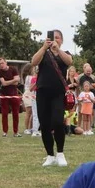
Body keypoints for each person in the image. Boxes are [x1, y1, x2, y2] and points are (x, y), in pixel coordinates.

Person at [29, 30, 74, 167]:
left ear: (61, 40)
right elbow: (33, 62)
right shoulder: (44, 53)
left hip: (58, 93)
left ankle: (60, 153)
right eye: (52, 38)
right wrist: (44, 47)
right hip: (42, 92)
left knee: (57, 122)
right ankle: (50, 155)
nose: (55, 40)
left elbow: (69, 61)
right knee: (45, 124)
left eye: (57, 38)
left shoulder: (64, 53)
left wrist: (57, 49)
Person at [0, 58, 22, 137]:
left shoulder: (13, 69)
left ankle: (16, 132)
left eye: (2, 63)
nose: (1, 65)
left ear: (6, 62)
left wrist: (10, 82)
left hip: (14, 94)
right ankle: (5, 131)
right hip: (4, 94)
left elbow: (17, 82)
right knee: (4, 113)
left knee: (16, 113)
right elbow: (3, 83)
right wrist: (13, 80)